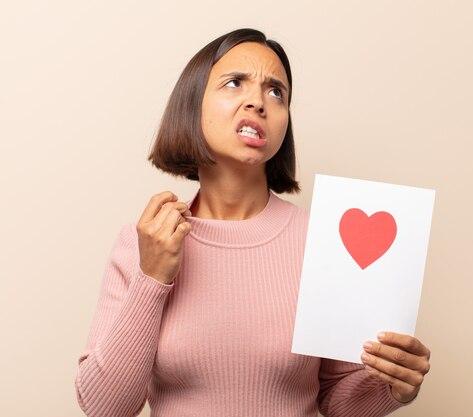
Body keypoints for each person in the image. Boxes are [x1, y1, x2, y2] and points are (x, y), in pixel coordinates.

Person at [75, 28, 430, 417]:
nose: (258, 102)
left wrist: (394, 386)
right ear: (192, 104)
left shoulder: (324, 241)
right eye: (234, 83)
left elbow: (334, 400)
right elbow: (104, 408)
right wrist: (152, 277)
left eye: (276, 92)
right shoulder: (143, 242)